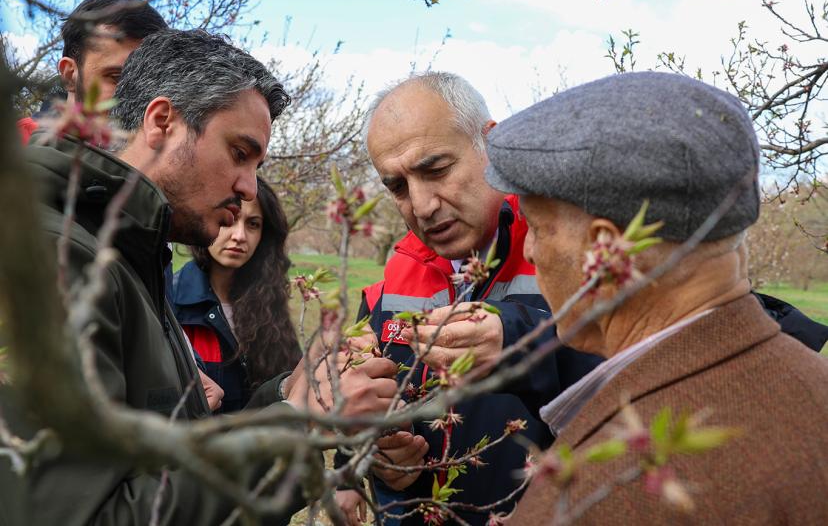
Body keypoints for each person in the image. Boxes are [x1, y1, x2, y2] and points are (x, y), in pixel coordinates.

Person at [0, 29, 399, 525]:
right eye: (239, 153)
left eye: (257, 164)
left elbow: (168, 459)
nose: (249, 188)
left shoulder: (135, 254)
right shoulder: (59, 260)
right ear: (162, 122)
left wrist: (289, 393)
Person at [483, 71, 828, 523]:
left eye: (538, 227)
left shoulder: (599, 494)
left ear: (605, 253)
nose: (529, 250)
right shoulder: (813, 386)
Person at [335, 72, 602, 525]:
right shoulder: (393, 279)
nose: (422, 205)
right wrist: (374, 458)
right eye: (398, 186)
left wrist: (522, 341)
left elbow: (639, 379)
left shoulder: (572, 251)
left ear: (491, 145)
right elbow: (367, 409)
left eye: (436, 169)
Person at [172, 177, 302, 413]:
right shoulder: (171, 302)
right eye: (230, 219)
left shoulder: (268, 304)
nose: (240, 235)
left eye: (253, 224)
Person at [17, 0, 168, 143]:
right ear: (69, 75)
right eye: (117, 78)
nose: (136, 97)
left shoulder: (159, 151)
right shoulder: (16, 144)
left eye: (149, 84)